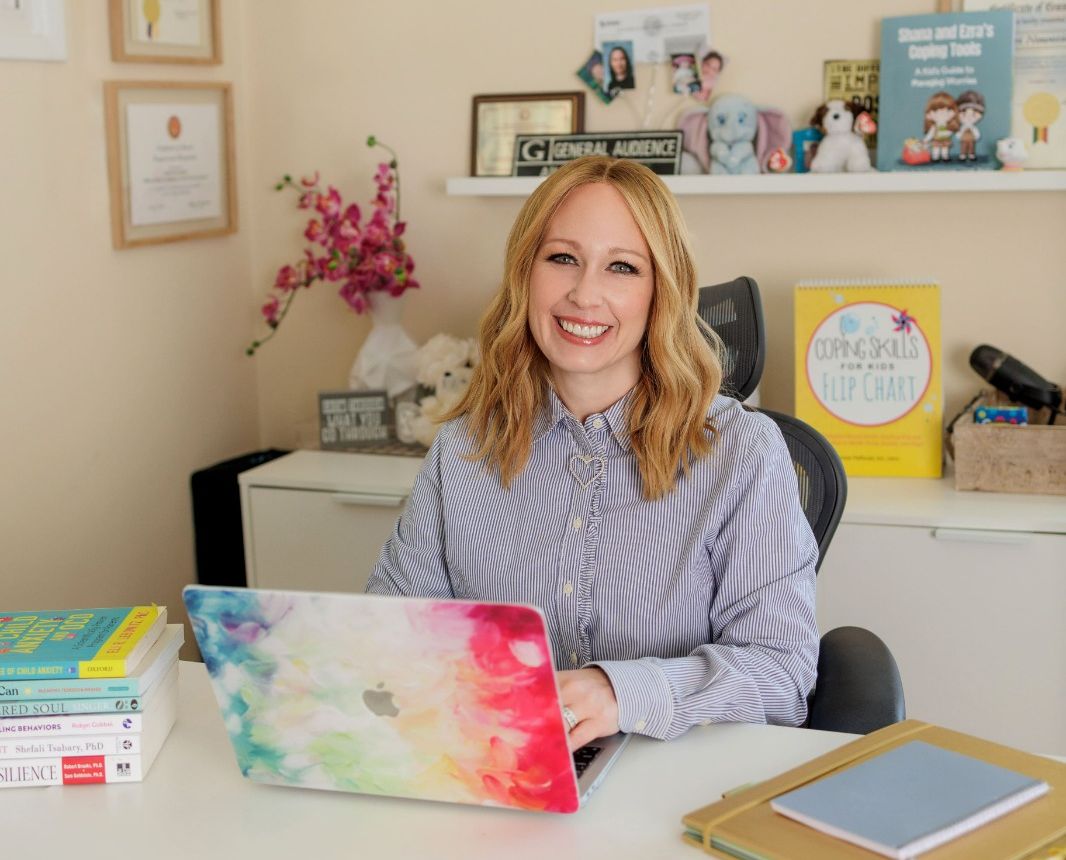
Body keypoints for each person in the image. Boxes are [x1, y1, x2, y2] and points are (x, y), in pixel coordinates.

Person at [366, 156, 819, 750]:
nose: (584, 294)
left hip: (673, 781)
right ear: (525, 273)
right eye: (562, 258)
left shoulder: (741, 454)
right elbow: (392, 633)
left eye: (622, 267)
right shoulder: (464, 449)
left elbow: (781, 675)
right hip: (497, 769)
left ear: (661, 292)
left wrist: (619, 692)